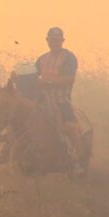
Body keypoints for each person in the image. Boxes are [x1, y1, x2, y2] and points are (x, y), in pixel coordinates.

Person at [35, 26, 82, 167]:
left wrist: (48, 82)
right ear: (47, 40)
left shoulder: (69, 57)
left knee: (71, 128)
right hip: (41, 100)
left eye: (57, 40)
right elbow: (31, 76)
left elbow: (69, 79)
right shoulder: (42, 59)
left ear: (62, 40)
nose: (54, 43)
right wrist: (17, 76)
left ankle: (77, 161)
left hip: (61, 101)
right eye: (51, 40)